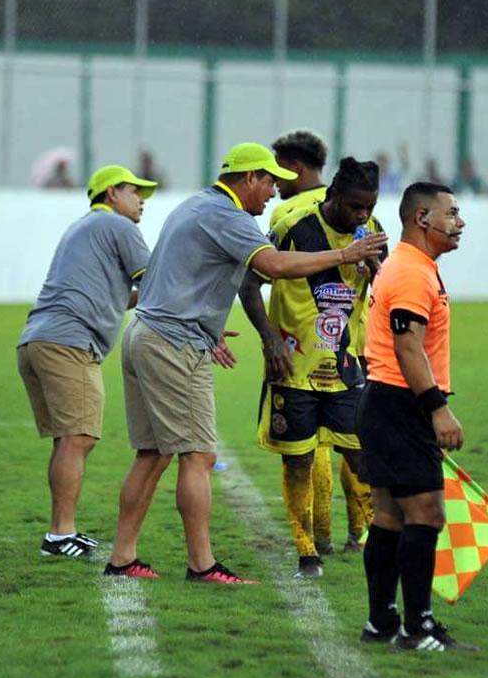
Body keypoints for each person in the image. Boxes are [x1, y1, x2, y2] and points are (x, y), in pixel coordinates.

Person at [103, 142, 387, 583]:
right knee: (198, 455)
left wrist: (205, 326)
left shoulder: (195, 205)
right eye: (270, 181)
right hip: (172, 344)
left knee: (152, 453)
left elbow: (167, 274)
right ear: (249, 178)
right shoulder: (228, 216)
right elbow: (273, 266)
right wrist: (344, 255)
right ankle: (202, 565)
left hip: (147, 334)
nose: (274, 191)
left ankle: (122, 558)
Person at [239, 157, 383, 580]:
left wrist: (376, 270)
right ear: (333, 195)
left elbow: (386, 291)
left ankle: (375, 539)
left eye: (369, 207)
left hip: (344, 367)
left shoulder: (371, 233)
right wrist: (269, 339)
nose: (363, 215)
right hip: (293, 366)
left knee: (360, 454)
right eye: (356, 206)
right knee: (298, 461)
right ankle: (306, 551)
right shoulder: (293, 227)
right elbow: (249, 284)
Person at [357, 181, 475, 652]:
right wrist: (437, 408)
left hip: (385, 401)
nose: (459, 222)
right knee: (425, 512)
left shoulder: (410, 266)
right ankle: (417, 627)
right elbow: (408, 346)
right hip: (400, 403)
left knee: (388, 515)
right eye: (451, 213)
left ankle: (381, 623)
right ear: (421, 218)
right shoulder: (411, 272)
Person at [18, 165, 157, 559]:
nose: (142, 199)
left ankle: (62, 531)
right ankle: (61, 534)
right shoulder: (120, 228)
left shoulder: (83, 227)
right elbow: (154, 280)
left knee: (69, 439)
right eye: (134, 190)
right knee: (79, 437)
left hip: (37, 339)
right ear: (111, 193)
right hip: (69, 342)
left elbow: (117, 295)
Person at [266, 130, 367, 554]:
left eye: (278, 172)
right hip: (349, 352)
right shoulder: (361, 216)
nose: (274, 183)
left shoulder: (285, 214)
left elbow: (269, 272)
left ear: (295, 167)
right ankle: (358, 535)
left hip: (298, 351)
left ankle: (318, 537)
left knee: (310, 450)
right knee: (353, 446)